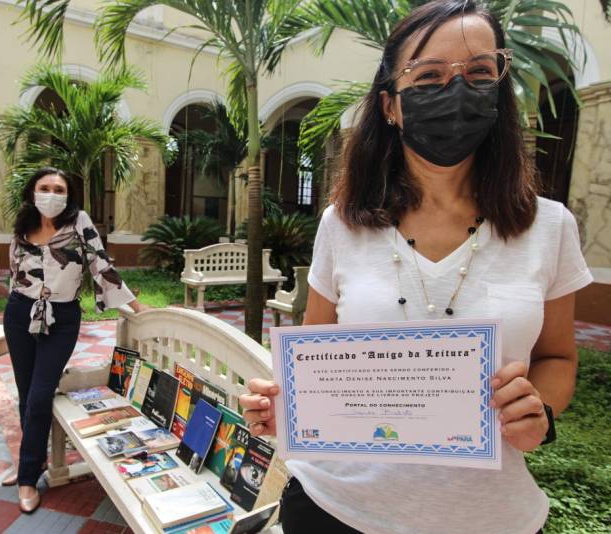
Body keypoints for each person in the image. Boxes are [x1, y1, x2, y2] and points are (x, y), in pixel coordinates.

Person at [239, 2, 593, 533]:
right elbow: (317, 354)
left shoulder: (549, 226)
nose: (456, 91)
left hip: (491, 518)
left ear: (499, 88)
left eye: (478, 73)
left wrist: (538, 412)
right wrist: (283, 403)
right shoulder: (344, 223)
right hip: (334, 509)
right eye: (429, 76)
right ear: (391, 105)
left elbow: (558, 356)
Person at [1, 167, 149, 513]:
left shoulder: (78, 221)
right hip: (19, 314)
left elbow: (101, 265)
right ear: (33, 191)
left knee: (40, 396)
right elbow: (15, 270)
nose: (51, 194)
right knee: (26, 395)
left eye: (58, 189)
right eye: (44, 187)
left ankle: (27, 480)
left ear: (68, 195)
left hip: (61, 319)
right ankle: (31, 461)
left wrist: (137, 305)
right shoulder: (24, 222)